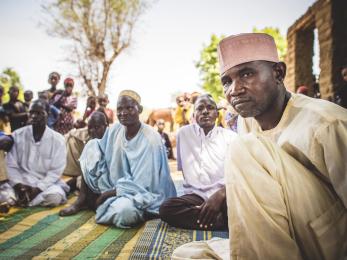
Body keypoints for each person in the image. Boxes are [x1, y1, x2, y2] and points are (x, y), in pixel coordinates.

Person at [172, 33, 347, 260]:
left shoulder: (327, 122)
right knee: (186, 254)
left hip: (327, 242)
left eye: (246, 74)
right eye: (227, 81)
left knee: (243, 148)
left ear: (278, 73)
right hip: (282, 235)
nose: (234, 89)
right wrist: (223, 192)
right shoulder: (248, 121)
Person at [59, 90, 176, 228]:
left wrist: (108, 194)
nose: (123, 113)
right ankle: (82, 199)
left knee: (125, 212)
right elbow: (99, 149)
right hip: (117, 183)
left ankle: (108, 204)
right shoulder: (116, 129)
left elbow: (143, 185)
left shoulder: (150, 140)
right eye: (120, 109)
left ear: (139, 110)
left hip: (145, 193)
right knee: (92, 146)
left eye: (129, 108)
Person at [160, 94, 235, 231]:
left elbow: (238, 176)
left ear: (217, 114)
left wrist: (221, 195)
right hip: (196, 196)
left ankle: (208, 217)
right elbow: (184, 171)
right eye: (200, 108)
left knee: (239, 207)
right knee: (166, 208)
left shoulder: (230, 137)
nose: (205, 111)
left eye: (210, 108)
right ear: (194, 114)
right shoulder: (183, 134)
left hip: (224, 195)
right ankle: (219, 221)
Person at [1, 99, 69, 208]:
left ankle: (23, 200)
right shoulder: (17, 135)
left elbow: (55, 171)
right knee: (5, 196)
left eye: (39, 113)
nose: (33, 116)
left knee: (54, 197)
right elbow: (11, 165)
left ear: (48, 114)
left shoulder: (58, 140)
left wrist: (37, 190)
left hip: (43, 184)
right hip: (21, 182)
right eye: (31, 112)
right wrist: (19, 186)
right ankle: (22, 197)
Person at [61, 111, 108, 193]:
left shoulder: (113, 140)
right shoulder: (89, 142)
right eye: (90, 127)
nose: (92, 131)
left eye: (97, 127)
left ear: (105, 126)